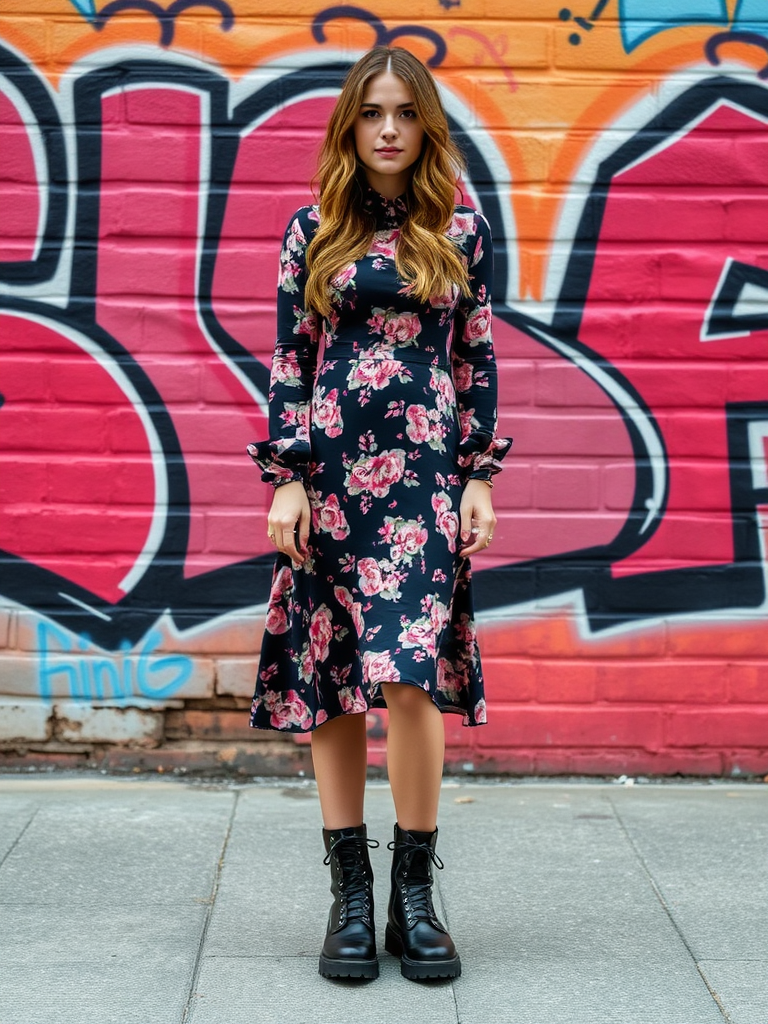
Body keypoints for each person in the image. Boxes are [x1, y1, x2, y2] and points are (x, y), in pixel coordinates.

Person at [247, 45, 510, 982]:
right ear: (349, 126)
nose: (388, 129)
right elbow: (290, 358)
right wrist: (287, 477)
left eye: (404, 113)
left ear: (425, 126)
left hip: (424, 485)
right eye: (371, 113)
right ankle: (350, 897)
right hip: (331, 479)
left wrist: (479, 477)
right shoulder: (312, 229)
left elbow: (476, 358)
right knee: (332, 673)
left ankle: (414, 896)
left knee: (408, 677)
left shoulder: (463, 230)